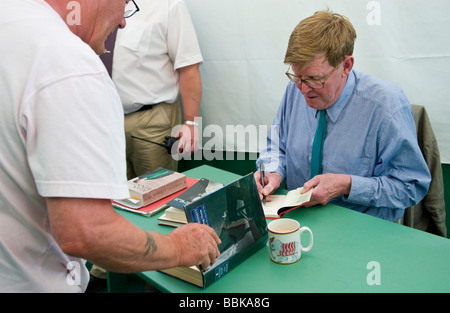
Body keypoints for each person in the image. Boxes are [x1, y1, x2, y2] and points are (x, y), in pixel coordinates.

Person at [0, 0, 220, 293]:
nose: (123, 21)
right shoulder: (69, 63)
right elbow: (87, 231)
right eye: (123, 4)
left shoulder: (13, 20)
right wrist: (178, 248)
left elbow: (188, 67)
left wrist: (190, 124)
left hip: (149, 120)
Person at [255, 10, 431, 222]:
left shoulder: (386, 106)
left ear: (346, 66)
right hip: (301, 220)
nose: (303, 89)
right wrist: (273, 172)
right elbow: (276, 146)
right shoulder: (295, 89)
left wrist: (348, 185)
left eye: (314, 79)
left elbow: (411, 185)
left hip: (363, 227)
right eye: (297, 76)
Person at [107, 0, 203, 178]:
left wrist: (191, 122)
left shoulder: (167, 5)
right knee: (115, 198)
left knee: (158, 193)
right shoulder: (94, 6)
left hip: (151, 123)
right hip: (104, 122)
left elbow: (188, 66)